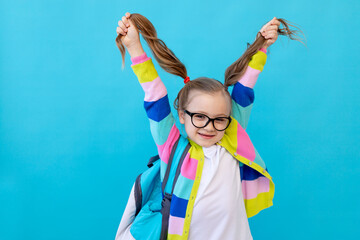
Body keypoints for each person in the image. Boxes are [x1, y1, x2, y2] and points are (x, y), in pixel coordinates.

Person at [115, 12, 302, 240]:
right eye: (200, 116)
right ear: (182, 115)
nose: (209, 126)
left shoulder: (231, 135)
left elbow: (245, 88)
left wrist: (262, 44)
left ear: (229, 118)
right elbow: (155, 96)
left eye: (219, 119)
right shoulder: (172, 147)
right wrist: (134, 47)